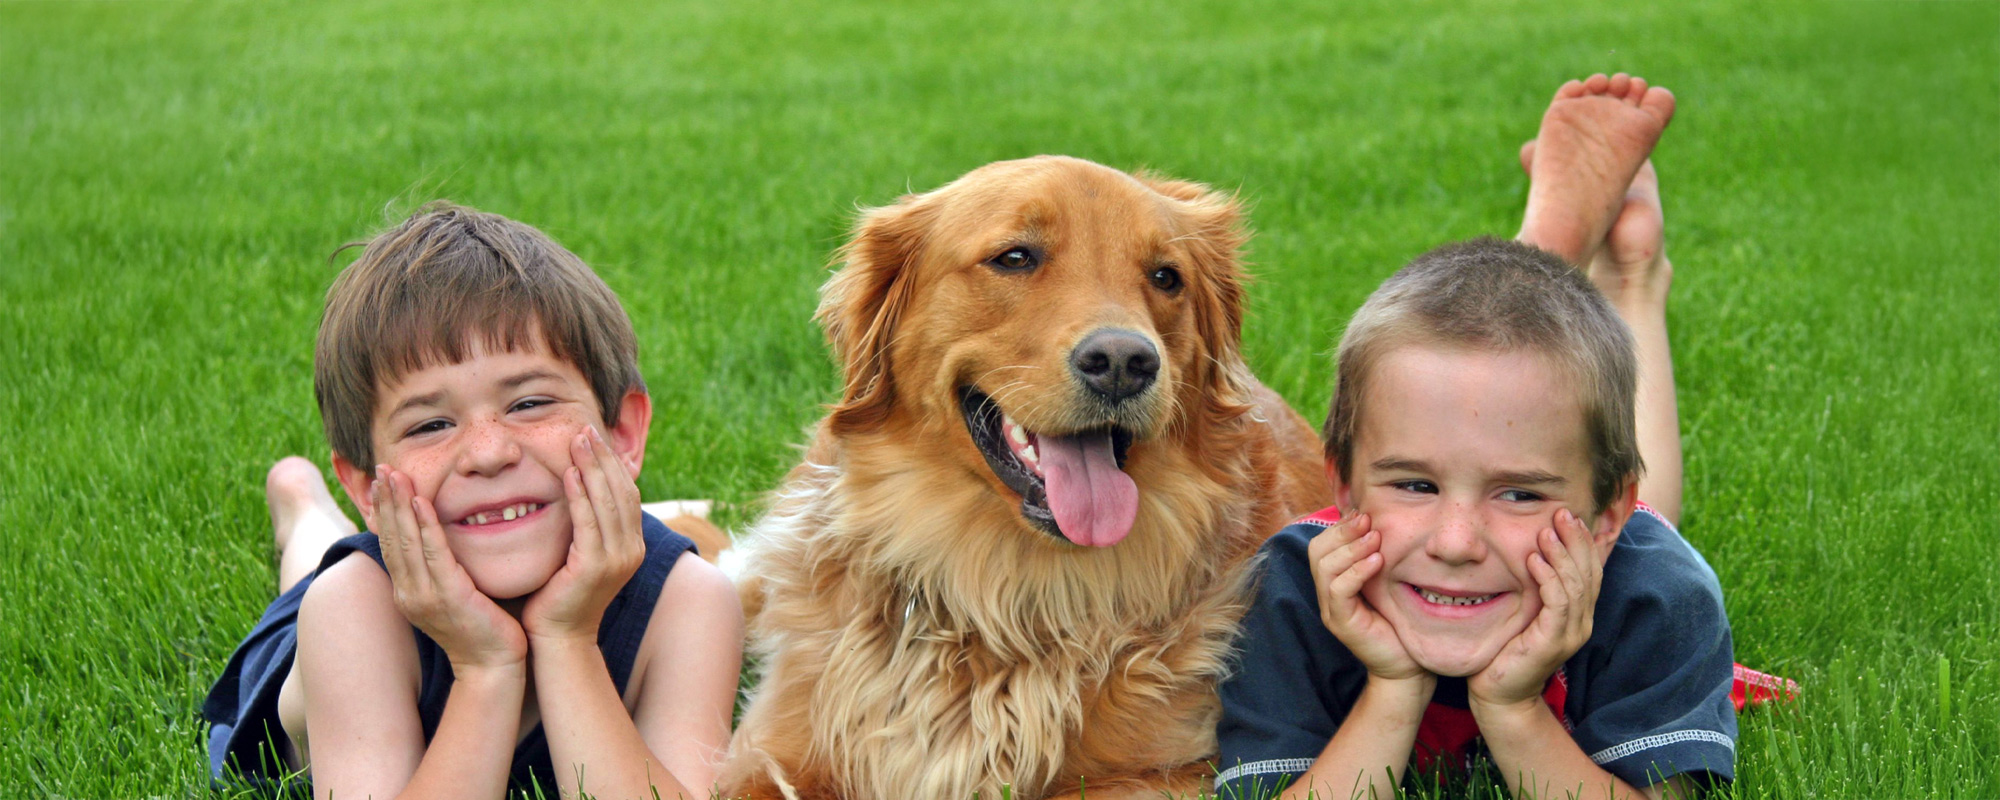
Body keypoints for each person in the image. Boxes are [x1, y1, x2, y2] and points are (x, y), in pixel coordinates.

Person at [1214, 74, 1738, 799]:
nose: (1455, 543)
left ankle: (1632, 286)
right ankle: (1600, 279)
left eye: (1519, 493)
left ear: (1604, 513)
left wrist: (1513, 709)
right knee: (1554, 446)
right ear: (1341, 488)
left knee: (1641, 534)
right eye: (1415, 484)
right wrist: (1393, 688)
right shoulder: (1292, 591)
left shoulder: (1659, 596)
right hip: (1576, 529)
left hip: (1621, 551)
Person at [202, 203, 745, 800]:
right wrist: (486, 668)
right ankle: (303, 503)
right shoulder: (351, 612)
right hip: (333, 620)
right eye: (430, 425)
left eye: (530, 403)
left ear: (622, 434)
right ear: (366, 489)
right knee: (311, 568)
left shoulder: (691, 601)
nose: (488, 453)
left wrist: (568, 639)